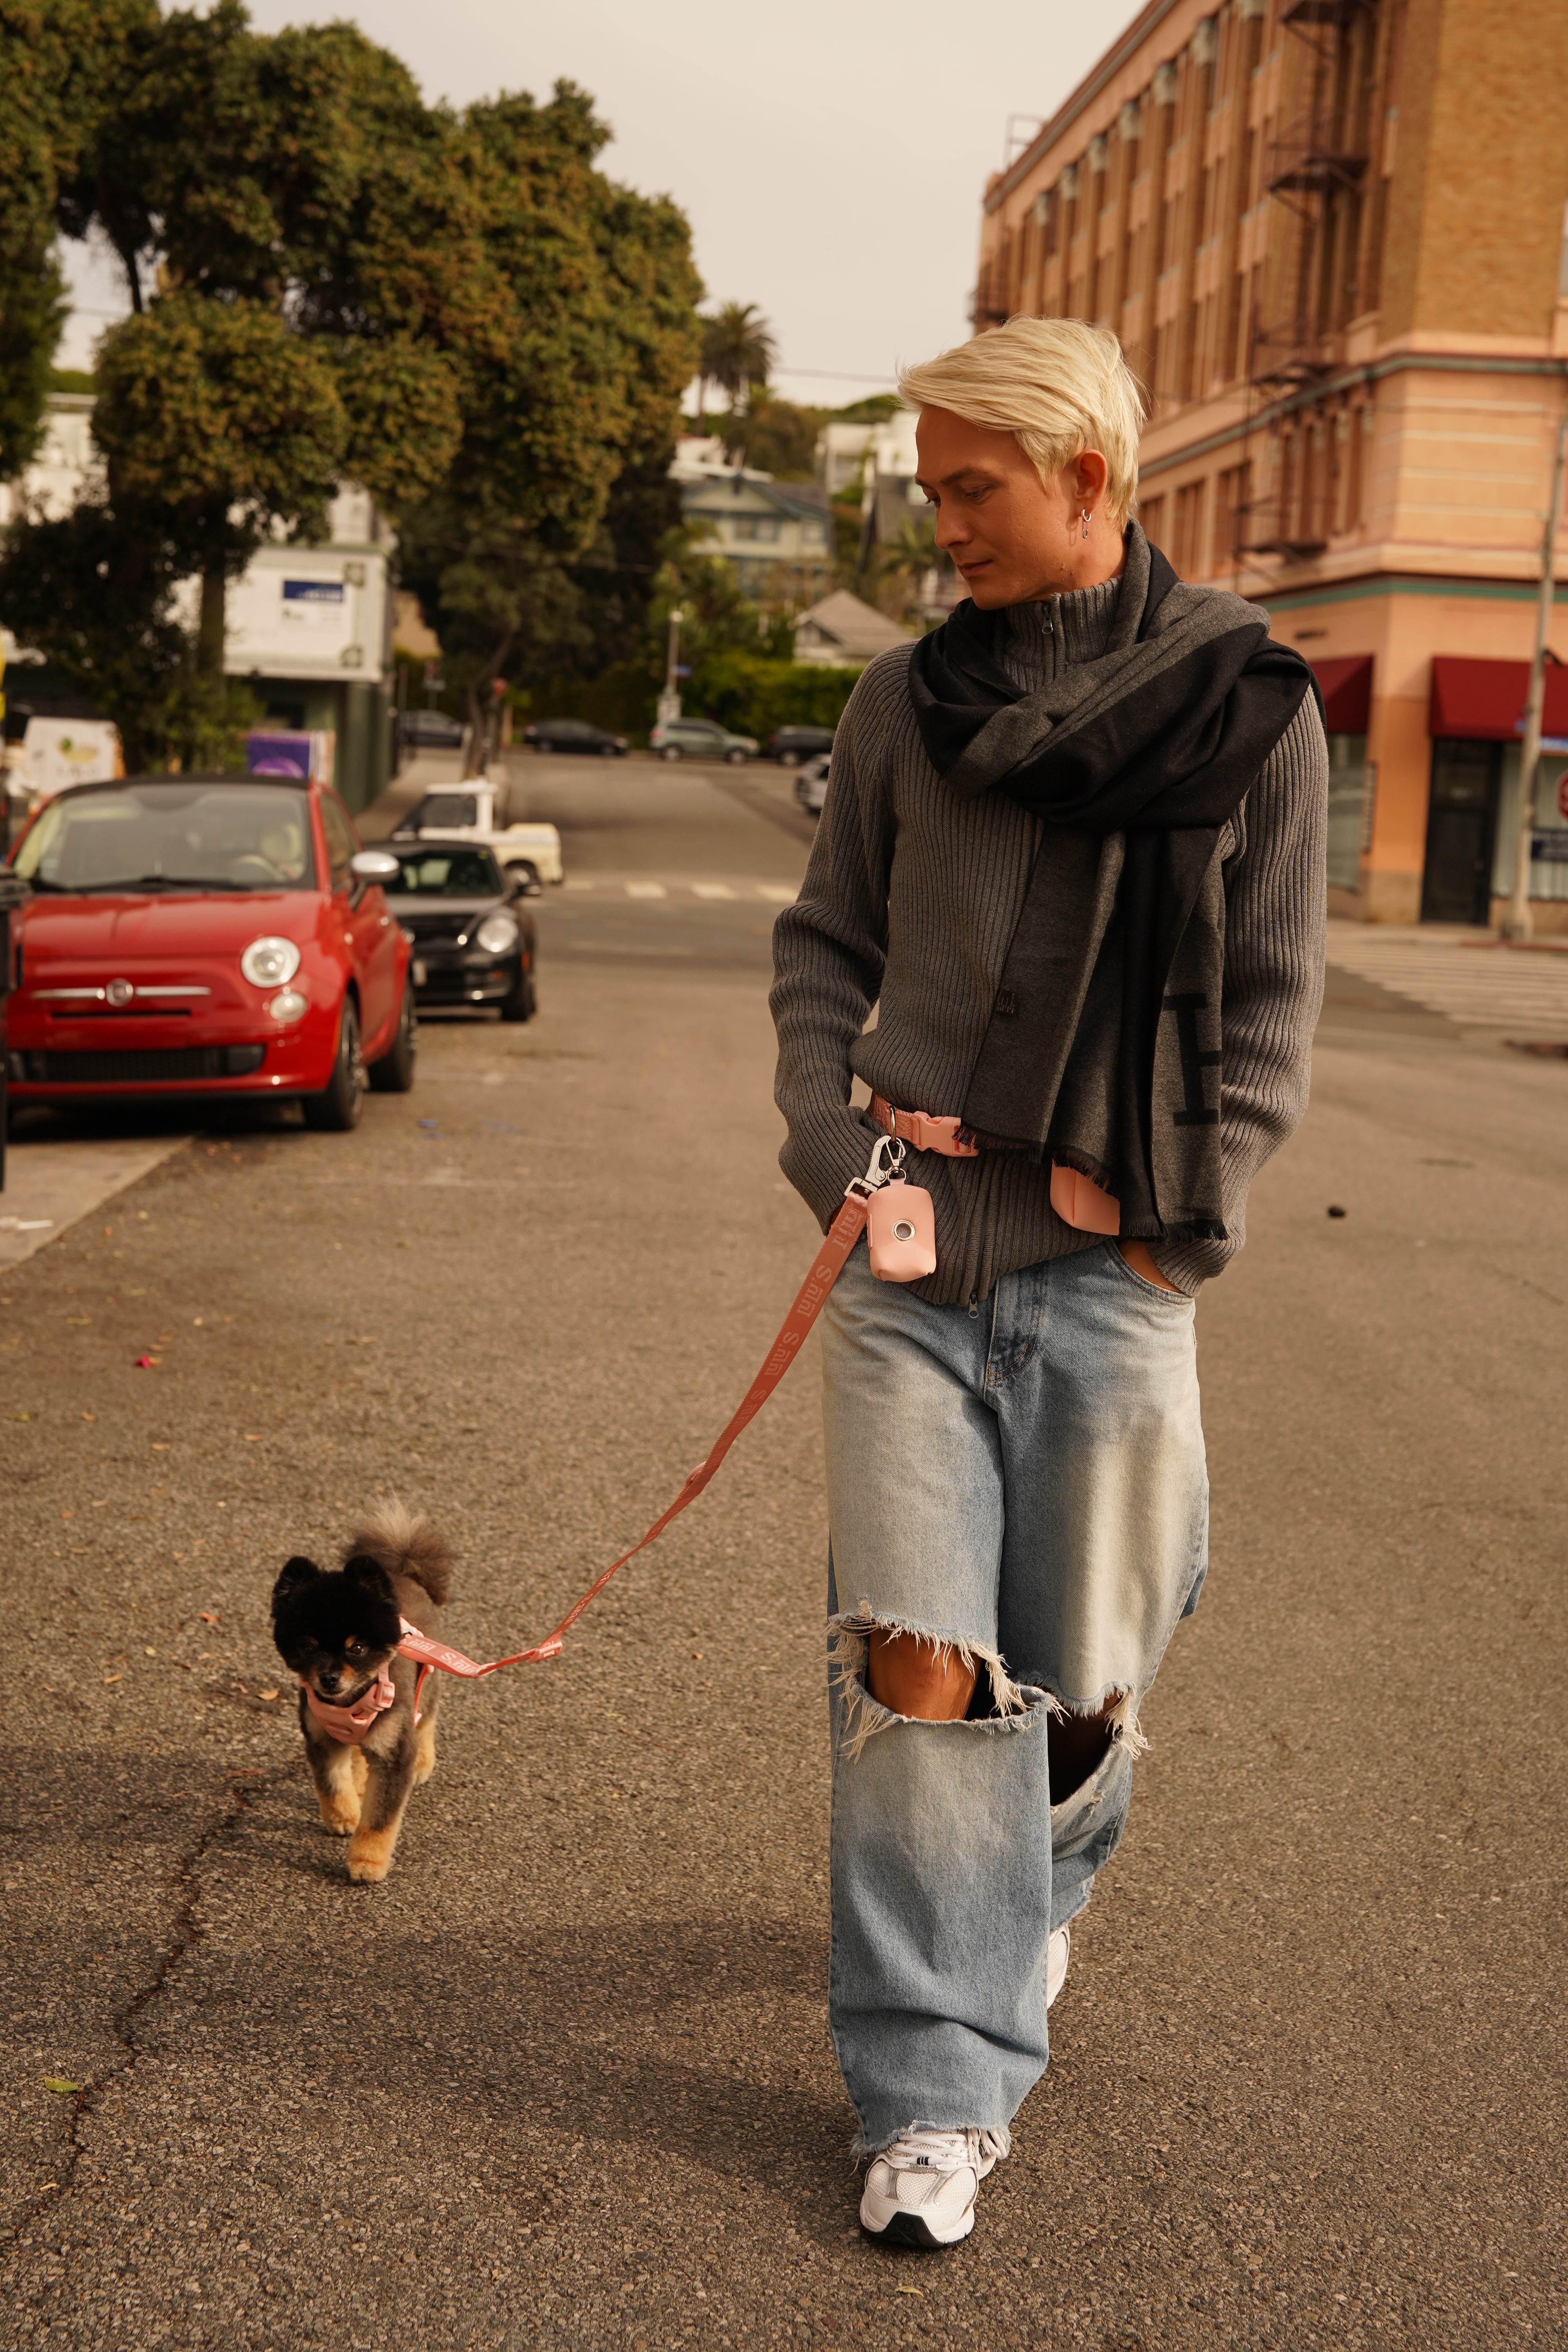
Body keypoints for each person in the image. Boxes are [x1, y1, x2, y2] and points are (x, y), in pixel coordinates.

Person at [770, 316, 1327, 2249]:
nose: (944, 531)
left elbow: (1263, 1012)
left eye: (972, 490)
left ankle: (1021, 1893)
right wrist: (822, 1145)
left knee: (1078, 1698)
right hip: (907, 1253)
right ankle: (936, 2090)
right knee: (920, 1669)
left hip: (1112, 1274)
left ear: (1091, 478)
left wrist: (1185, 1215)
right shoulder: (899, 708)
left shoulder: (1249, 708)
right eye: (929, 493)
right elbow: (825, 946)